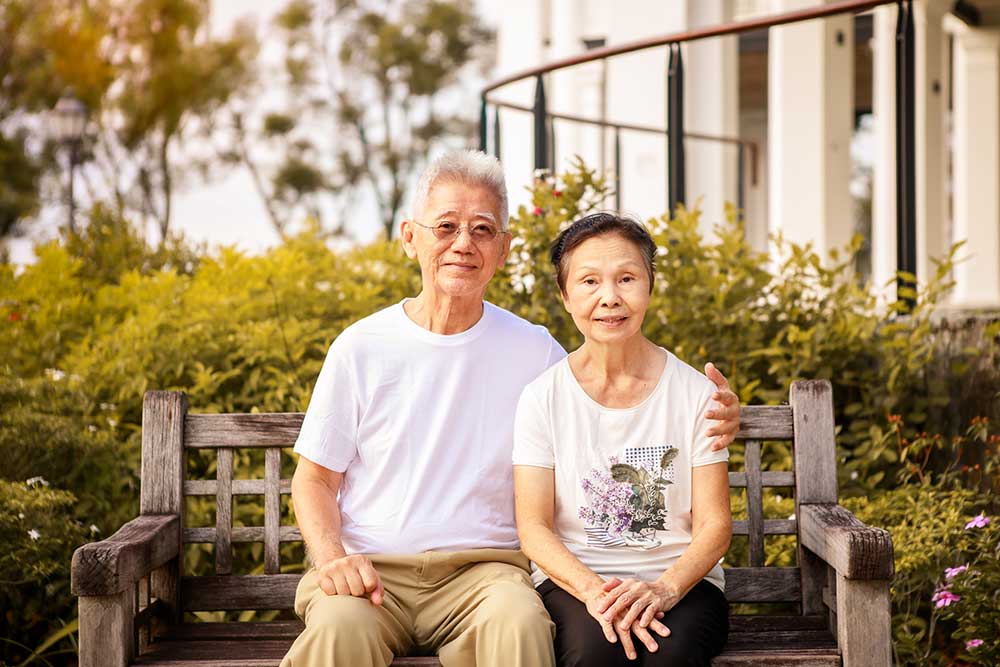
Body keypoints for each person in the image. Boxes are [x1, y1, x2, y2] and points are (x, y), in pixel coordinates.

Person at [280, 152, 740, 667]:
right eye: (446, 226)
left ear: (504, 249)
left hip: (486, 574)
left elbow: (617, 404)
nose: (463, 243)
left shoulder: (535, 351)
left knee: (520, 623)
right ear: (410, 237)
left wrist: (720, 415)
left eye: (482, 230)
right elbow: (314, 479)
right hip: (371, 570)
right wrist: (332, 558)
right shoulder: (360, 347)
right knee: (340, 631)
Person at [513, 212, 732, 667]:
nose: (609, 298)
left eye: (626, 278)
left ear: (649, 286)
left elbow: (715, 525)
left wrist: (663, 589)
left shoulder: (696, 394)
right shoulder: (542, 398)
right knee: (593, 654)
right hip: (576, 584)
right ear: (565, 295)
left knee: (669, 656)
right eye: (589, 282)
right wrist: (597, 593)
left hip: (682, 584)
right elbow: (533, 527)